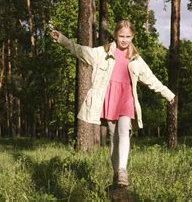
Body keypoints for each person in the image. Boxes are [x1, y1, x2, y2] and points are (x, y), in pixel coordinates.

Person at [50, 20, 175, 188]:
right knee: (113, 138)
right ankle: (117, 176)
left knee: (124, 131)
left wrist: (167, 93)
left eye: (128, 36)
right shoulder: (102, 52)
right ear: (116, 34)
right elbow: (81, 51)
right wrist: (62, 39)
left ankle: (123, 170)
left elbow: (151, 79)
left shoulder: (136, 59)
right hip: (109, 98)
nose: (124, 39)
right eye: (121, 36)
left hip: (126, 98)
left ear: (133, 36)